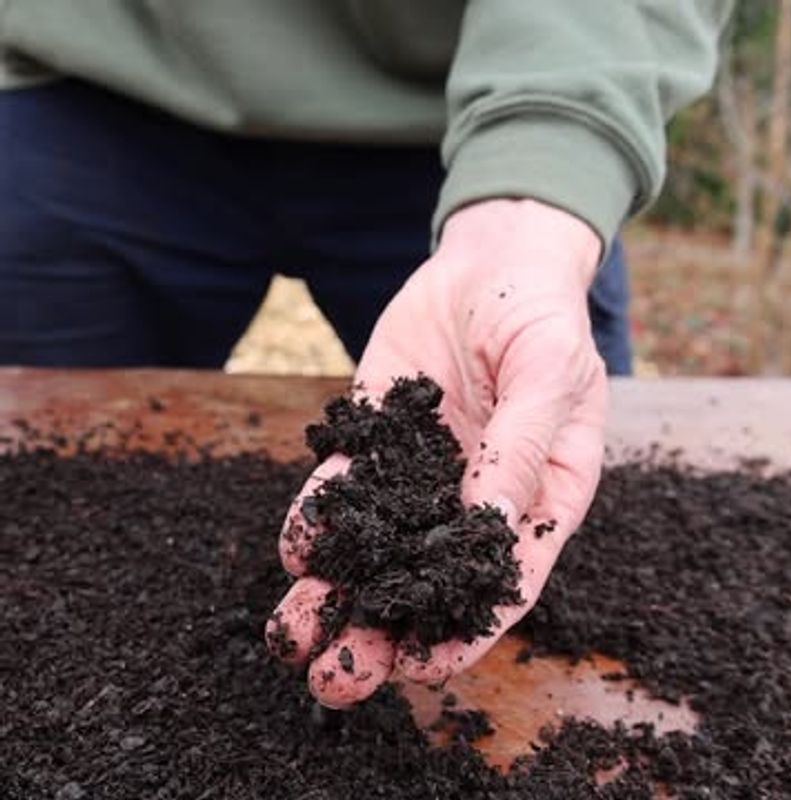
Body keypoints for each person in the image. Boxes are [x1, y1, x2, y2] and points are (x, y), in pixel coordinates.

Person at [0, 1, 733, 707]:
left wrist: (538, 192)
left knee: (549, 493)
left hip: (468, 118)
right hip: (95, 85)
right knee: (47, 521)